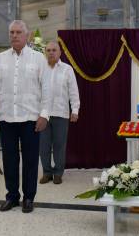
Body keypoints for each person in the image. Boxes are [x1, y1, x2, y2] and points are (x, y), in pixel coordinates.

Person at [0, 20, 51, 213]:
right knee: (10, 160)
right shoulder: (0, 59)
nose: (14, 35)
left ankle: (29, 198)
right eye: (11, 32)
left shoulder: (38, 58)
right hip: (7, 118)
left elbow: (46, 89)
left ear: (27, 35)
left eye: (18, 32)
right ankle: (12, 197)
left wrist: (44, 115)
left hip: (31, 118)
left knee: (30, 160)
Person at [39, 41, 80, 185]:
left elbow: (73, 91)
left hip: (61, 113)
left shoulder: (67, 69)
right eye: (48, 50)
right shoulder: (40, 68)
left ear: (60, 52)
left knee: (59, 145)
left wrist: (75, 109)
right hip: (43, 115)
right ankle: (46, 172)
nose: (51, 52)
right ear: (45, 52)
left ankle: (58, 173)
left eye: (54, 50)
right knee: (43, 146)